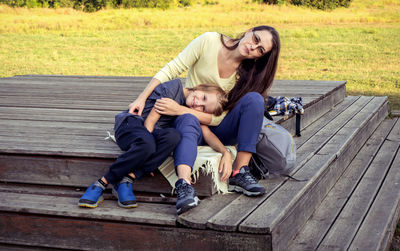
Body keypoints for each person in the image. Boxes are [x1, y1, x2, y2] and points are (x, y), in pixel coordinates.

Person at [128, 26, 281, 214]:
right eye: (255, 39)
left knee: (255, 99)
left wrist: (180, 109)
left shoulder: (247, 75)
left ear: (259, 57)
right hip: (187, 120)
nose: (253, 47)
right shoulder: (209, 41)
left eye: (260, 50)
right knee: (187, 119)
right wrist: (142, 98)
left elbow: (222, 117)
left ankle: (240, 172)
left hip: (220, 127)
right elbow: (173, 68)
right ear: (249, 31)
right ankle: (184, 185)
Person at [78, 79, 229, 209]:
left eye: (203, 108)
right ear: (200, 87)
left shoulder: (186, 111)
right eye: (203, 97)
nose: (198, 104)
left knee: (173, 136)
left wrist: (225, 152)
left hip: (148, 136)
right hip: (132, 124)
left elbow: (207, 134)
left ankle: (129, 178)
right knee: (148, 144)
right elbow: (149, 122)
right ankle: (102, 182)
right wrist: (150, 158)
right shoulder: (174, 88)